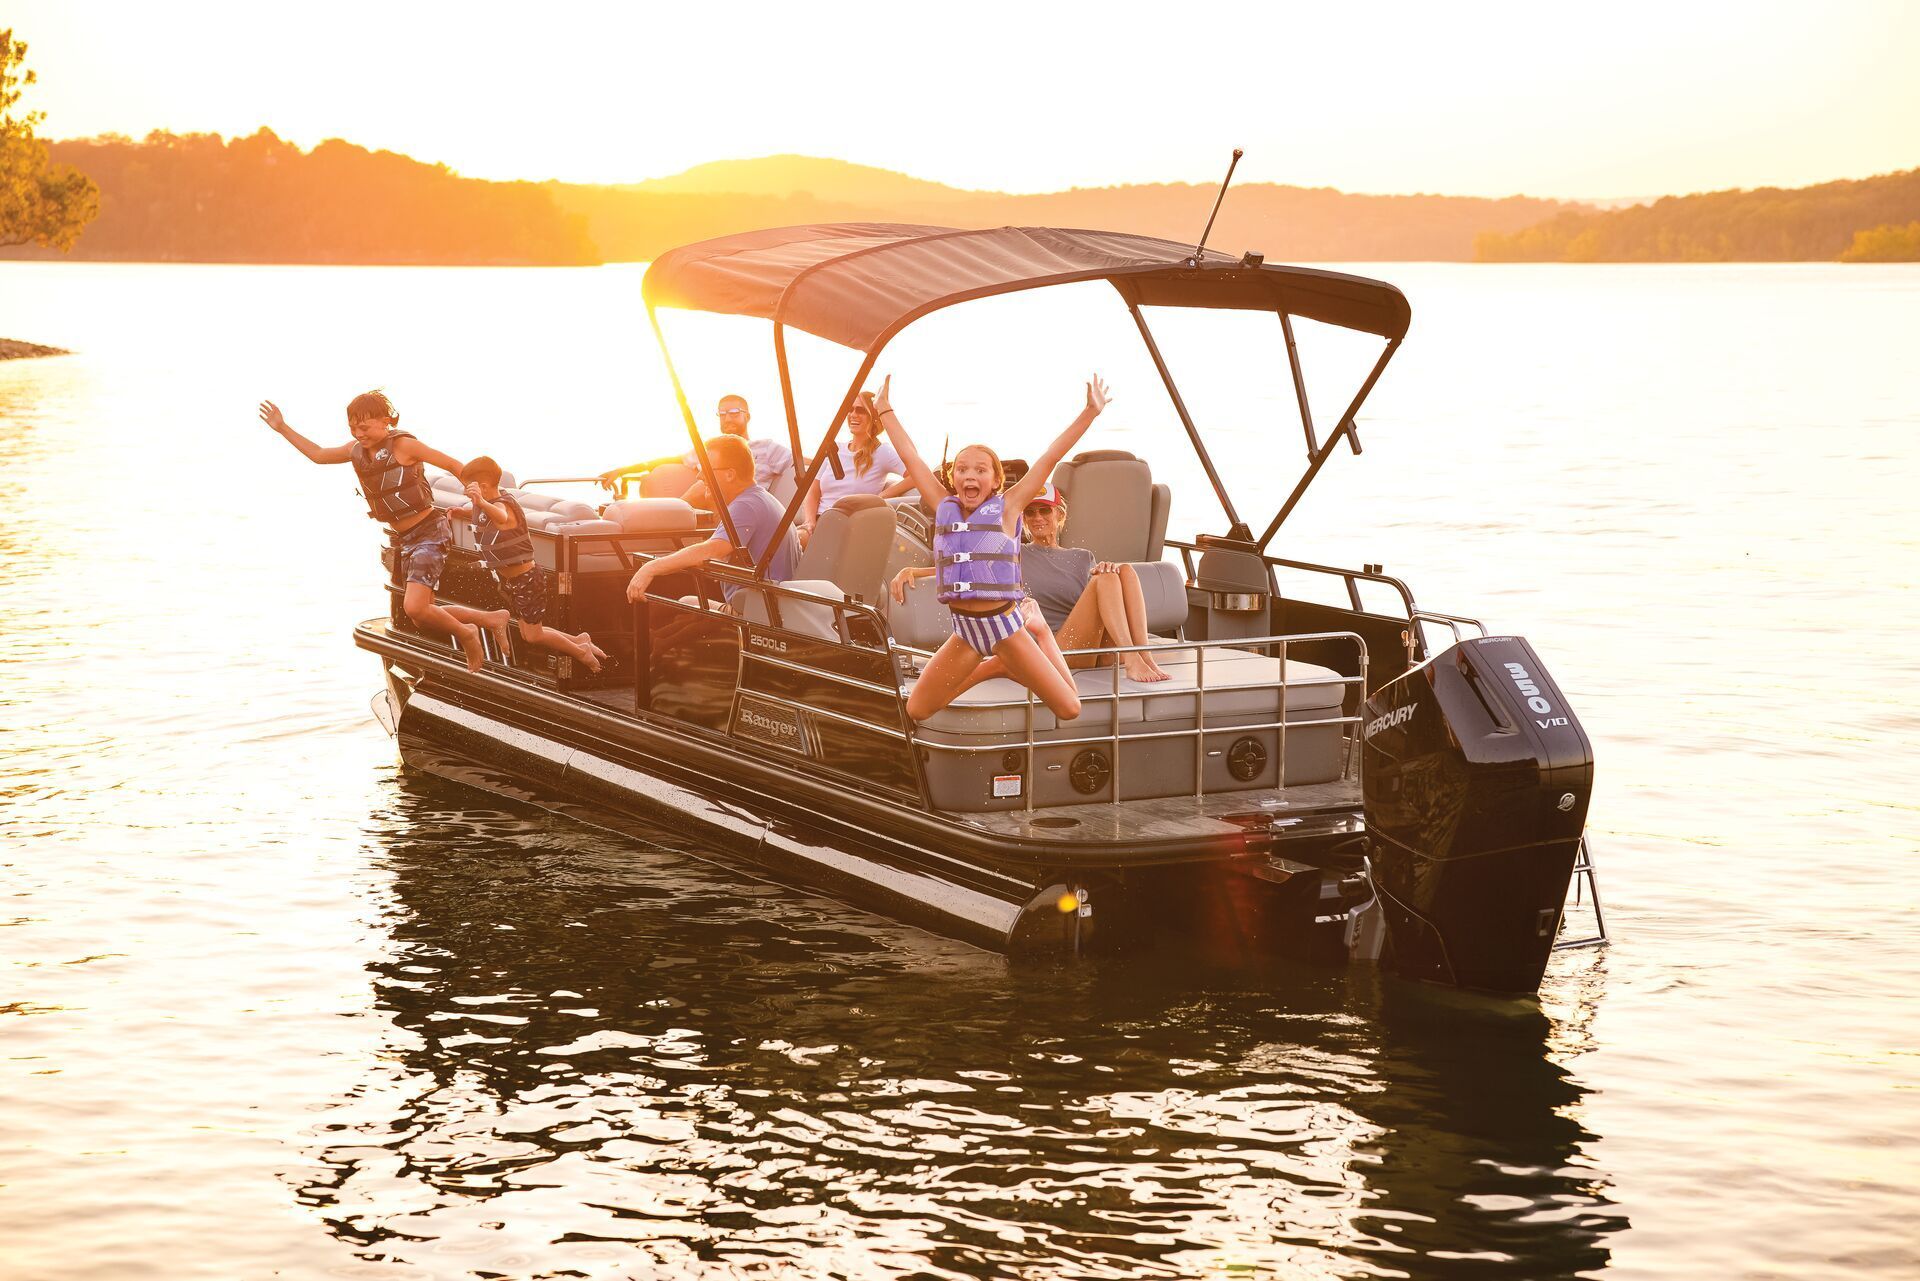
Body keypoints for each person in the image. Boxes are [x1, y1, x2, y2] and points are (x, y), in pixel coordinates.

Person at [877, 373, 1111, 723]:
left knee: (1070, 707)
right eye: (962, 469)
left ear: (996, 480)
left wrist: (1090, 412)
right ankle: (995, 667)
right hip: (966, 632)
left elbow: (1050, 457)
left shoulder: (1009, 507)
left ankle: (1039, 630)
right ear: (953, 478)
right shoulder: (943, 505)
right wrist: (884, 409)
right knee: (917, 708)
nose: (970, 474)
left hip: (1004, 627)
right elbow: (911, 458)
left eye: (980, 469)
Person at [259, 391, 502, 672]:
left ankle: (468, 633)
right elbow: (319, 455)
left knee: (415, 608)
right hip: (405, 539)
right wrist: (282, 427)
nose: (358, 434)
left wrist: (480, 496)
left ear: (386, 421)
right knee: (421, 615)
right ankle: (490, 619)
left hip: (430, 532)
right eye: (353, 428)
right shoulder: (355, 450)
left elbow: (451, 464)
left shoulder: (404, 446)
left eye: (364, 427)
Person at [460, 456, 609, 674]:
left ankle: (580, 652)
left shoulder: (502, 505)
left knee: (533, 635)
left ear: (482, 487)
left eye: (469, 488)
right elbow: (486, 518)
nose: (466, 492)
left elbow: (500, 517)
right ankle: (579, 640)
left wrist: (480, 502)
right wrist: (463, 511)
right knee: (529, 632)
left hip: (527, 579)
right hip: (514, 581)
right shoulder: (491, 502)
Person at [623, 433, 800, 611]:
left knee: (672, 606)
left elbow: (710, 551)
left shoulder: (745, 506)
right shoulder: (760, 499)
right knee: (686, 599)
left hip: (758, 614)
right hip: (773, 607)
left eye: (706, 469)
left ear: (730, 474)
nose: (700, 476)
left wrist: (651, 567)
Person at [1018, 484, 1171, 682]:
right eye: (1030, 512)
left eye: (1045, 510)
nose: (1037, 517)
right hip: (1058, 649)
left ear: (1060, 514)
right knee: (1105, 578)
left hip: (1094, 648)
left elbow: (1103, 602)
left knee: (1124, 570)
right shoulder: (1016, 555)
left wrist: (1107, 570)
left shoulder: (1082, 557)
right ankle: (1132, 658)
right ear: (1023, 519)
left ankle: (1145, 657)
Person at [598, 395, 793, 507]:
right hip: (712, 512)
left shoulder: (766, 447)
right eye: (722, 414)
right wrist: (622, 471)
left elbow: (802, 464)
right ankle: (669, 517)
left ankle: (673, 516)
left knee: (708, 483)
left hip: (746, 507)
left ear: (747, 417)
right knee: (706, 484)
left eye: (734, 413)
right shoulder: (712, 448)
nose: (727, 419)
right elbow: (669, 460)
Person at [797, 391, 912, 536]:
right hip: (818, 523)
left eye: (860, 410)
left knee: (790, 541)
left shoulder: (882, 452)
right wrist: (809, 521)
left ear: (873, 416)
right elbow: (813, 491)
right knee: (785, 539)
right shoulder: (834, 449)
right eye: (850, 409)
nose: (853, 414)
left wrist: (882, 496)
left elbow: (915, 476)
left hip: (848, 528)